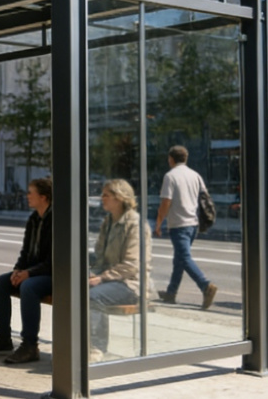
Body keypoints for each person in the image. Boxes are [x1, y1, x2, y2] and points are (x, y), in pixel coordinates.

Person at [0, 177, 52, 364]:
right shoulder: (33, 219)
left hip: (53, 275)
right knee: (1, 283)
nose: (27, 196)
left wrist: (28, 274)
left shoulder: (56, 220)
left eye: (30, 193)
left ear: (43, 197)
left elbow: (54, 260)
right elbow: (25, 252)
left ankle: (30, 345)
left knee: (29, 287)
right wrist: (17, 270)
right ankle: (3, 338)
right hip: (34, 272)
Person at [88, 179, 153, 362]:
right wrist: (94, 273)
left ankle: (96, 346)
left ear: (119, 197)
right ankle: (78, 342)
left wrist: (101, 278)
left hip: (130, 283)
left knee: (93, 296)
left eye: (106, 195)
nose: (102, 198)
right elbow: (100, 255)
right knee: (74, 287)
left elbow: (132, 264)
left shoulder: (135, 224)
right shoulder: (108, 222)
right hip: (110, 279)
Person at [155, 145, 217, 310]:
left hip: (179, 224)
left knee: (184, 258)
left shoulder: (170, 176)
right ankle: (171, 292)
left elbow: (165, 202)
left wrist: (158, 223)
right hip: (193, 225)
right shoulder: (195, 175)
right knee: (179, 259)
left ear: (171, 159)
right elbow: (204, 197)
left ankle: (206, 286)